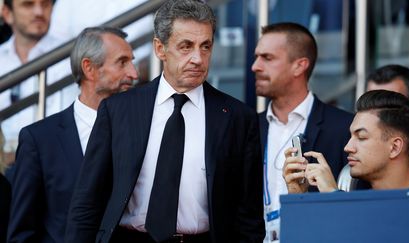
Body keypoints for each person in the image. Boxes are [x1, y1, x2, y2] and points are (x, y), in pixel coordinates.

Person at [65, 1, 264, 243]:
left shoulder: (237, 118)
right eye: (186, 46)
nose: (197, 59)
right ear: (160, 49)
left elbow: (249, 217)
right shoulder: (119, 110)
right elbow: (88, 201)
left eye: (206, 47)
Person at [7, 27, 138, 243]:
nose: (134, 73)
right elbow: (22, 232)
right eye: (122, 62)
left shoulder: (145, 129)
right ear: (89, 68)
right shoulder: (40, 140)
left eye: (132, 62)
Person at [252, 22, 353, 241]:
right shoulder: (245, 126)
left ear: (300, 66)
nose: (255, 66)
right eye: (256, 57)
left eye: (267, 58)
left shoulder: (344, 128)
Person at [283, 90, 409, 193]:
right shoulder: (355, 192)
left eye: (361, 137)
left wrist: (333, 195)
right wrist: (298, 195)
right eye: (351, 136)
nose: (348, 147)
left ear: (394, 147)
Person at [0, 0, 79, 163]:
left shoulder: (70, 57)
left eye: (45, 4)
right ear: (7, 14)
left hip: (53, 161)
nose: (39, 11)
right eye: (28, 4)